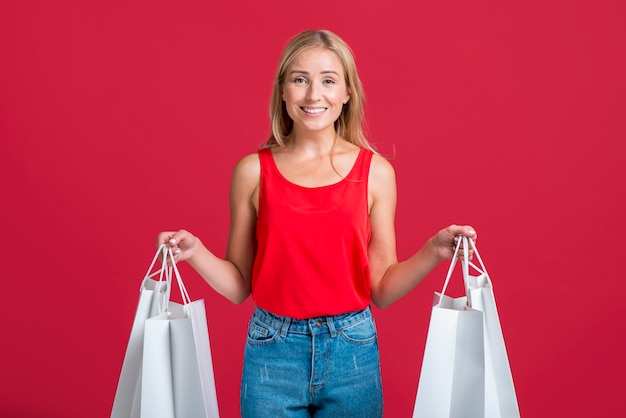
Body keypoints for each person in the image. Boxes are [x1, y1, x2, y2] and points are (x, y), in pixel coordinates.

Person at [157, 29, 476, 418]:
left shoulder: (375, 173)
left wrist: (433, 251)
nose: (313, 95)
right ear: (283, 91)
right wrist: (194, 252)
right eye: (299, 79)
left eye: (328, 81)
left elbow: (382, 289)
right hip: (271, 351)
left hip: (352, 351)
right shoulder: (252, 172)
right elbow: (241, 284)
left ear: (347, 94)